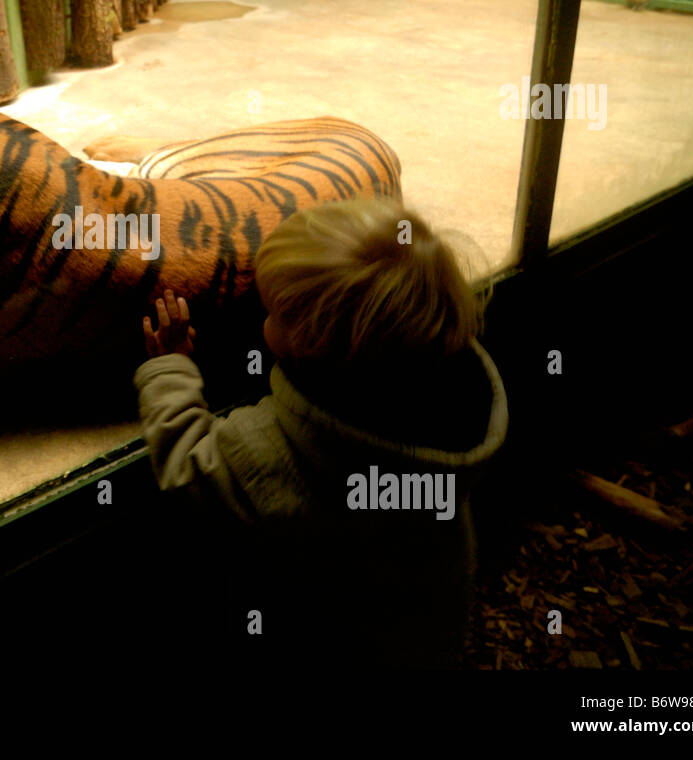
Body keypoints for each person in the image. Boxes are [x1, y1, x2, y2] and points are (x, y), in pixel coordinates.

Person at [134, 197, 507, 666]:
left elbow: (187, 466)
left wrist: (170, 369)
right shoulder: (456, 411)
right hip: (426, 639)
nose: (264, 319)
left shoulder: (269, 449)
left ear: (310, 341)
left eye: (273, 312)